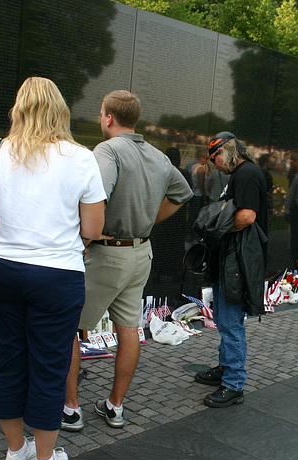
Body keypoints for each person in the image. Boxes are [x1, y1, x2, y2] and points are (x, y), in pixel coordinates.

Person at [0, 77, 106, 460]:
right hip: (58, 274)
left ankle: (15, 455)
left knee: (11, 361)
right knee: (49, 366)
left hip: (5, 270)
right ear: (59, 110)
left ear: (18, 109)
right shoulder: (81, 158)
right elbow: (94, 227)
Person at [61, 90, 192, 431]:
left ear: (108, 117)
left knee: (68, 329)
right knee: (129, 328)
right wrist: (149, 220)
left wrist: (90, 233)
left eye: (101, 114)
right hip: (140, 253)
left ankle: (70, 409)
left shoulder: (107, 150)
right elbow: (181, 193)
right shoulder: (158, 157)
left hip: (107, 254)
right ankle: (114, 406)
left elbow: (95, 196)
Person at [193, 131, 267, 408]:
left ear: (229, 150)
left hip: (238, 260)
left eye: (216, 157)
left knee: (231, 322)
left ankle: (234, 383)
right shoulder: (241, 174)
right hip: (231, 258)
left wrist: (217, 229)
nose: (215, 164)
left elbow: (247, 216)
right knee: (225, 318)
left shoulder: (246, 174)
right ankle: (226, 368)